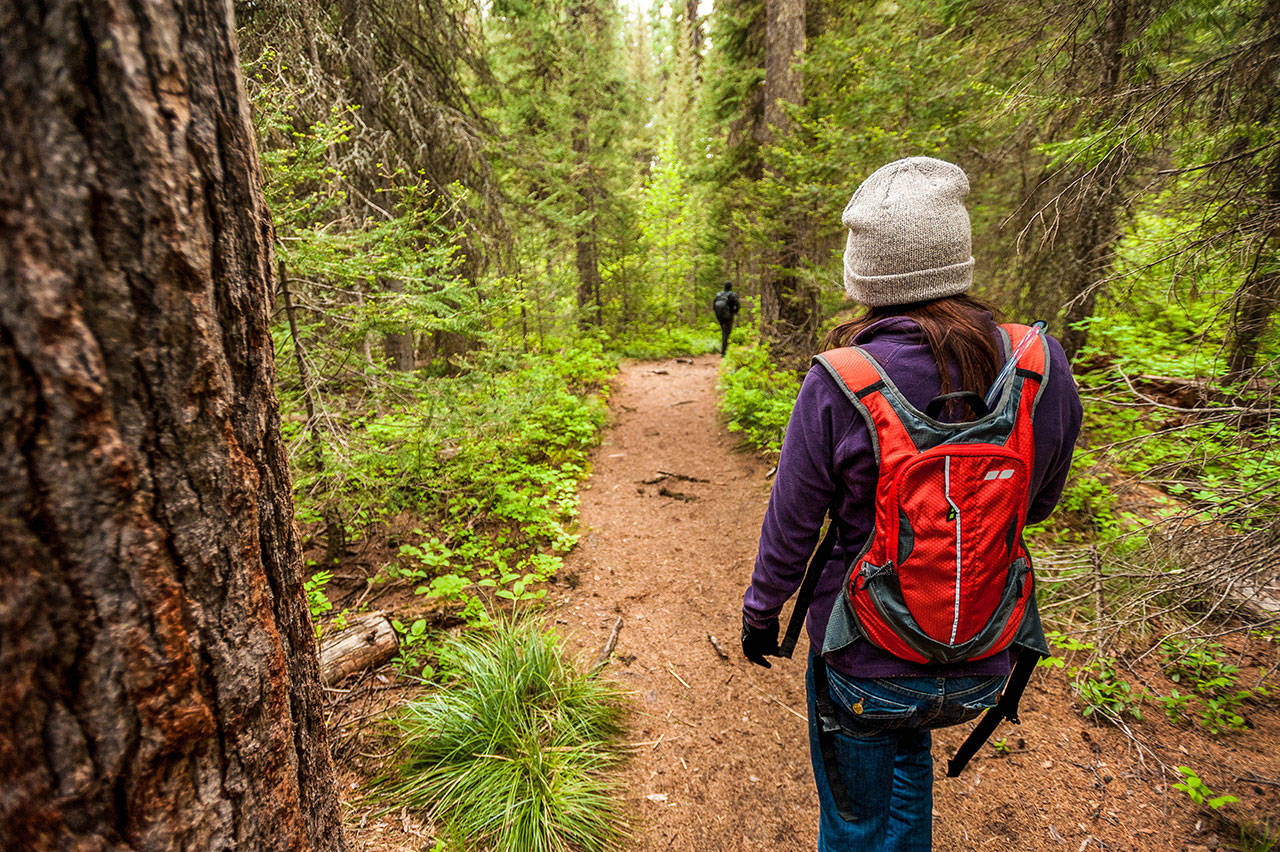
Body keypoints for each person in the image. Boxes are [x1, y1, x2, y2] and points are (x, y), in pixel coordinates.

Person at [740, 157, 1082, 851]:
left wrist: (760, 612)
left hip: (866, 657)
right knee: (907, 777)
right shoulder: (1038, 364)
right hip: (983, 656)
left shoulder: (843, 381)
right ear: (956, 253)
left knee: (853, 823)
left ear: (863, 270)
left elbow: (793, 524)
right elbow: (1037, 505)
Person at [713, 281, 740, 356]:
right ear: (731, 287)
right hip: (728, 316)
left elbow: (713, 306)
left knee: (724, 332)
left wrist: (718, 315)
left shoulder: (719, 295)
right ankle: (723, 352)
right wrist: (734, 312)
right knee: (726, 333)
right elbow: (738, 305)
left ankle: (723, 349)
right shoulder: (732, 295)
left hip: (719, 316)